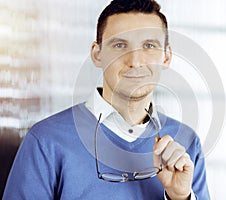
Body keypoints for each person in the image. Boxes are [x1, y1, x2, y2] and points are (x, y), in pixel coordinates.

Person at [3, 0, 210, 199]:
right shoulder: (46, 141)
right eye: (120, 45)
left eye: (149, 45)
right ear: (97, 54)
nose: (135, 61)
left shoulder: (186, 142)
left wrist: (180, 197)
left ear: (166, 57)